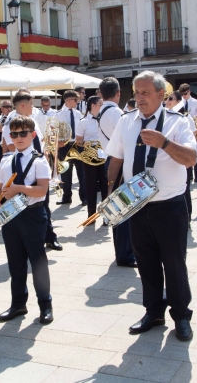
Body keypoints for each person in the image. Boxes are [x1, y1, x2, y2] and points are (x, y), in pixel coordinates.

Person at [106, 71, 197, 339]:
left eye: (146, 92)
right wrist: (110, 192)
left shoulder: (178, 123)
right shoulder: (126, 121)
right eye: (136, 92)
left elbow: (191, 159)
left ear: (161, 95)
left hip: (169, 205)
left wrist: (165, 143)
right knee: (146, 262)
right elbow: (116, 158)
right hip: (137, 205)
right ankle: (153, 312)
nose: (140, 97)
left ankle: (181, 316)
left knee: (174, 263)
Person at [0, 116, 54, 324]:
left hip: (32, 214)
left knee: (38, 262)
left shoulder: (39, 160)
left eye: (23, 134)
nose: (18, 138)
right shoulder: (6, 159)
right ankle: (18, 304)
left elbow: (43, 189)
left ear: (32, 135)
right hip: (10, 215)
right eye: (14, 134)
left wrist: (19, 188)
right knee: (15, 262)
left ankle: (45, 305)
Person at [1, 91, 62, 251]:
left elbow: (39, 142)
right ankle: (33, 240)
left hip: (37, 165)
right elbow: (15, 148)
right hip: (24, 170)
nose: (33, 107)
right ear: (23, 105)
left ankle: (49, 237)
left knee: (44, 204)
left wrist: (46, 151)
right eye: (30, 104)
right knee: (30, 205)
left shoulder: (31, 120)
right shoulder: (10, 123)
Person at [99, 77, 135, 266]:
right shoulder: (117, 114)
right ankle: (125, 254)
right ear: (118, 92)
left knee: (118, 210)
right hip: (119, 163)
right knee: (123, 211)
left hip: (110, 161)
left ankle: (123, 252)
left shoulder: (101, 111)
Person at [75, 96, 108, 225]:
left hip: (104, 154)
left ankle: (106, 216)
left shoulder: (104, 119)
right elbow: (78, 141)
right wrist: (86, 143)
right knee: (91, 186)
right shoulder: (83, 122)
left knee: (105, 185)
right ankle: (91, 216)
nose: (102, 106)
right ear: (93, 105)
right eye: (100, 104)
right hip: (90, 157)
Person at [165, 90, 196, 226]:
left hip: (182, 157)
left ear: (178, 102)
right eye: (167, 98)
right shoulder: (164, 117)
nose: (167, 101)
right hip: (169, 160)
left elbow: (192, 136)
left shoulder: (184, 117)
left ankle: (187, 218)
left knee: (185, 189)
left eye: (171, 99)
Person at [55, 90, 86, 207]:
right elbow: (53, 131)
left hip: (77, 145)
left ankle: (84, 197)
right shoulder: (57, 114)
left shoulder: (79, 114)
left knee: (81, 172)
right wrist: (58, 141)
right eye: (76, 100)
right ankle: (66, 197)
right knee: (66, 173)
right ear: (68, 100)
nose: (78, 102)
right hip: (65, 146)